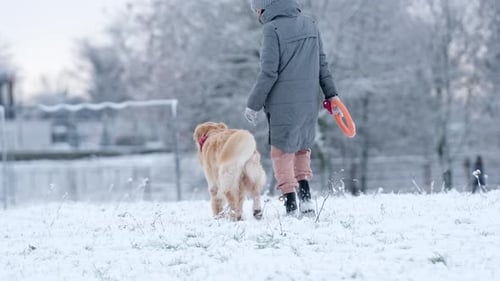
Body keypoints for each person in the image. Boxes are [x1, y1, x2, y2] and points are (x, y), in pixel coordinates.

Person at [244, 0, 343, 215]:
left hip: (283, 102)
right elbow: (322, 65)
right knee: (302, 147)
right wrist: (332, 95)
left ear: (265, 7)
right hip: (309, 100)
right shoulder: (310, 24)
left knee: (281, 152)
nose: (257, 15)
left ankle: (290, 202)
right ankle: (306, 199)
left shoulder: (272, 29)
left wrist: (253, 104)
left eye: (257, 10)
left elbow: (268, 72)